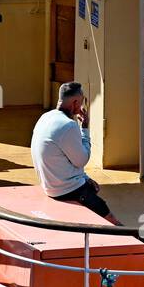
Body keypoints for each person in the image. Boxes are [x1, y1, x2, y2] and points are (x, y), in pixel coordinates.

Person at [30, 82, 120, 224]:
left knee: (91, 187)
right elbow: (82, 160)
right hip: (66, 190)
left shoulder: (45, 117)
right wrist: (85, 129)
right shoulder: (68, 125)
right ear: (75, 102)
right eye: (82, 101)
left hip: (50, 186)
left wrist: (84, 177)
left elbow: (64, 158)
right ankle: (136, 242)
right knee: (109, 217)